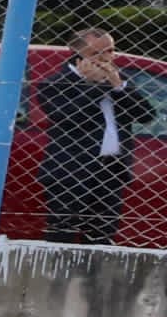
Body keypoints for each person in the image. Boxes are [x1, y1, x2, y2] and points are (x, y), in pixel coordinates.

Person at [31, 24, 138, 247]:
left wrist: (118, 87)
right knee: (62, 233)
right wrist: (95, 84)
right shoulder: (54, 84)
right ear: (79, 56)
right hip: (71, 171)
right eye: (97, 53)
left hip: (111, 170)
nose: (108, 57)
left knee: (102, 236)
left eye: (111, 50)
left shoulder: (120, 79)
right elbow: (68, 116)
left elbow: (145, 113)